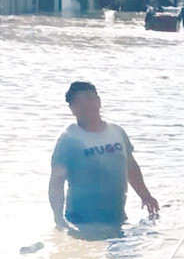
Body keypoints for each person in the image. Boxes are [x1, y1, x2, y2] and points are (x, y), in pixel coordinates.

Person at [49, 82, 159, 232]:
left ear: (99, 101)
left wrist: (145, 196)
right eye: (79, 101)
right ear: (72, 108)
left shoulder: (116, 132)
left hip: (117, 217)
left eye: (89, 98)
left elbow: (130, 167)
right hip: (81, 221)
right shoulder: (69, 138)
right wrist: (58, 219)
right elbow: (56, 181)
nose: (86, 105)